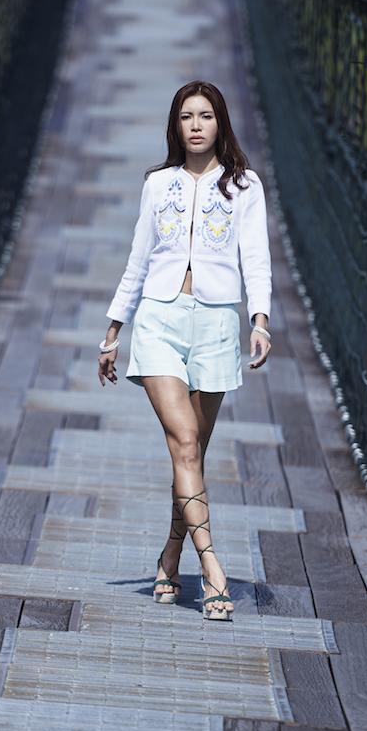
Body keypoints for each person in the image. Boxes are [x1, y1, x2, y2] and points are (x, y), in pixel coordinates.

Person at [98, 81, 273, 622]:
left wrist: (260, 322)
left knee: (189, 453)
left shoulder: (244, 186)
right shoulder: (158, 184)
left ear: (221, 123)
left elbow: (256, 258)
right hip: (159, 321)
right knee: (186, 441)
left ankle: (170, 556)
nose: (196, 125)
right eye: (186, 116)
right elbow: (138, 259)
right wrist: (113, 332)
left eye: (206, 116)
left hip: (217, 325)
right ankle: (213, 567)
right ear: (175, 125)